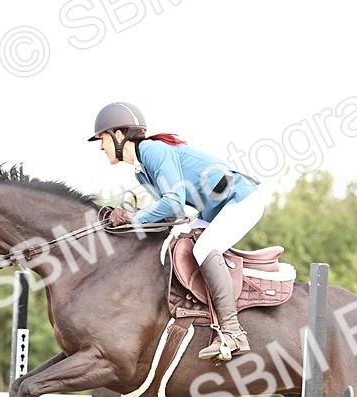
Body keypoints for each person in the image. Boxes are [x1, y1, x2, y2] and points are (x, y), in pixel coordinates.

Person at [89, 102, 264, 361]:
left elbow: (172, 202)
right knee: (176, 244)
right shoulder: (141, 172)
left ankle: (232, 332)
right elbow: (175, 215)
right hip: (213, 211)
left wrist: (134, 218)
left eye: (101, 139)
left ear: (118, 135)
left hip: (241, 200)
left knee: (203, 248)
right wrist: (123, 223)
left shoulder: (152, 150)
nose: (101, 148)